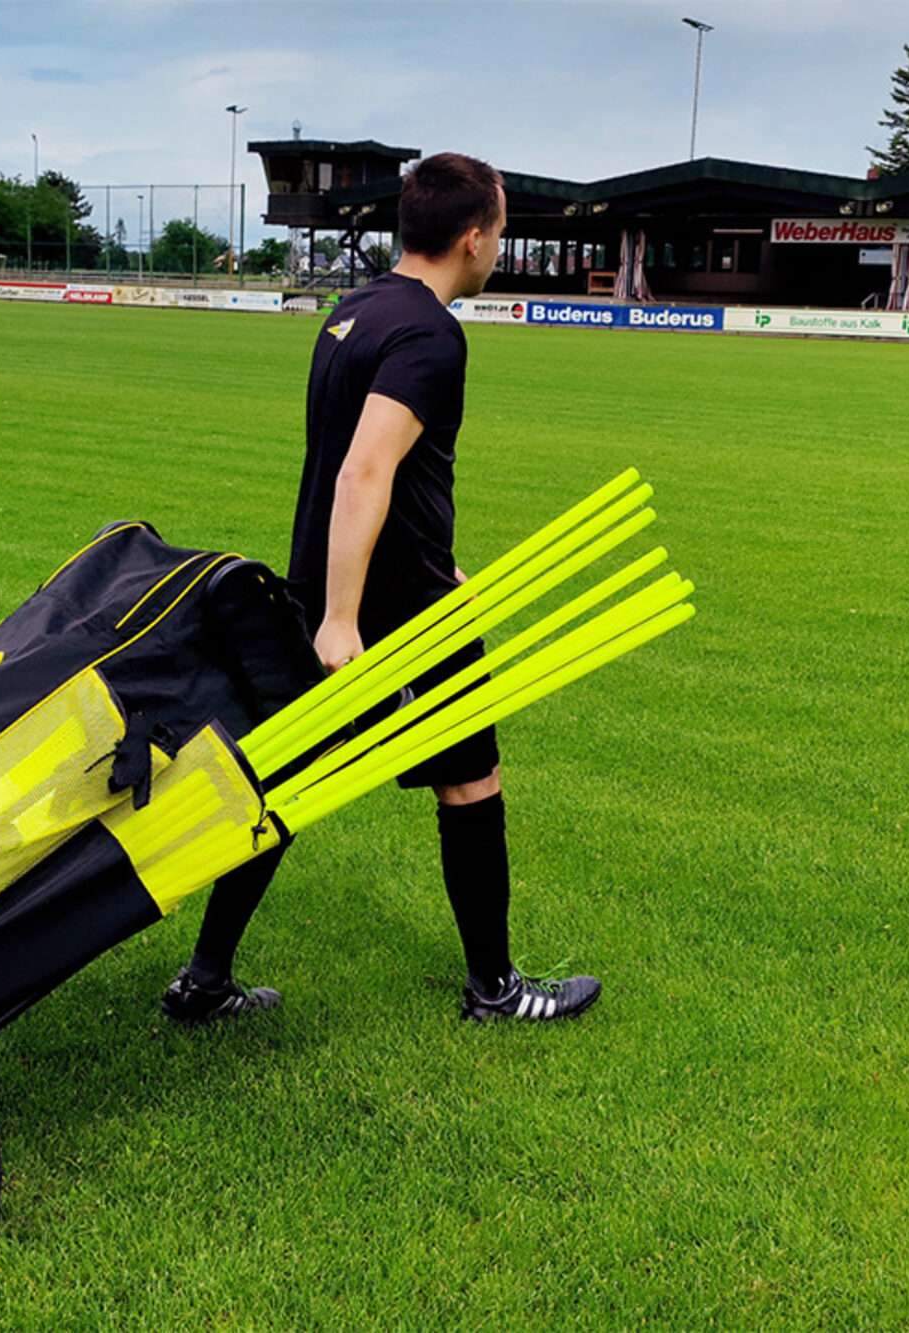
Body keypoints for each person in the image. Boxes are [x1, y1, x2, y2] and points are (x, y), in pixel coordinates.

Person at [161, 151, 602, 1026]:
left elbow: (382, 469)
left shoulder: (356, 308)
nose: (499, 247)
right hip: (386, 613)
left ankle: (205, 979)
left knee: (281, 782)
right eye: (502, 231)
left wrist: (435, 560)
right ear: (473, 237)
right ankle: (495, 989)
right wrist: (342, 617)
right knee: (470, 782)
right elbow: (362, 470)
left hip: (358, 584)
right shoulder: (433, 333)